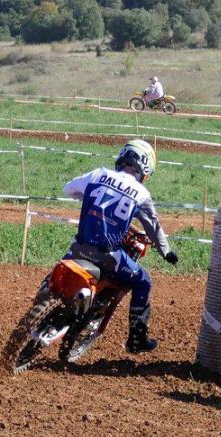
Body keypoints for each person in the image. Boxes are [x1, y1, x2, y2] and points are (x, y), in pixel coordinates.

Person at [63, 139, 178, 353]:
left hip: (78, 247)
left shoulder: (98, 174)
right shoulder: (141, 194)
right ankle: (137, 340)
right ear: (145, 168)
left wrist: (92, 201)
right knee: (143, 281)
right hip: (107, 256)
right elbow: (153, 227)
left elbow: (68, 189)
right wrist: (167, 252)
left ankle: (45, 297)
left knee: (60, 266)